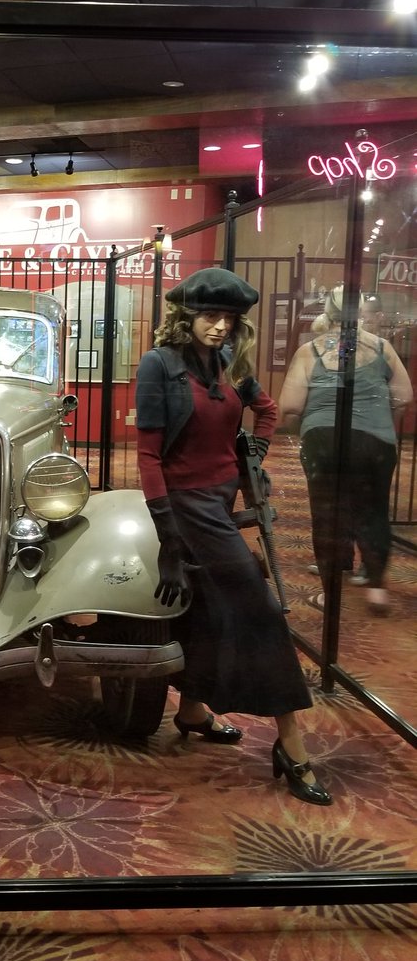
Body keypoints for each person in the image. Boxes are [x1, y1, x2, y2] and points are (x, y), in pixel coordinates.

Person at [135, 267, 331, 806]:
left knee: (208, 609)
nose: (220, 326)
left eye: (228, 318)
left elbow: (267, 411)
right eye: (209, 315)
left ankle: (192, 710)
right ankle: (291, 744)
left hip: (222, 499)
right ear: (186, 317)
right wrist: (169, 541)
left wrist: (257, 452)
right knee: (259, 610)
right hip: (186, 505)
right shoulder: (160, 365)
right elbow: (148, 457)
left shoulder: (227, 364)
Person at [278, 285, 413, 618]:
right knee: (374, 511)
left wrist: (304, 431)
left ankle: (331, 594)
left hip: (324, 440)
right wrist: (378, 420)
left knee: (327, 515)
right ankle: (377, 588)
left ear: (328, 312)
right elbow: (404, 397)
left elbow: (290, 407)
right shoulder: (382, 347)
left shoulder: (310, 351)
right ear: (361, 313)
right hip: (375, 441)